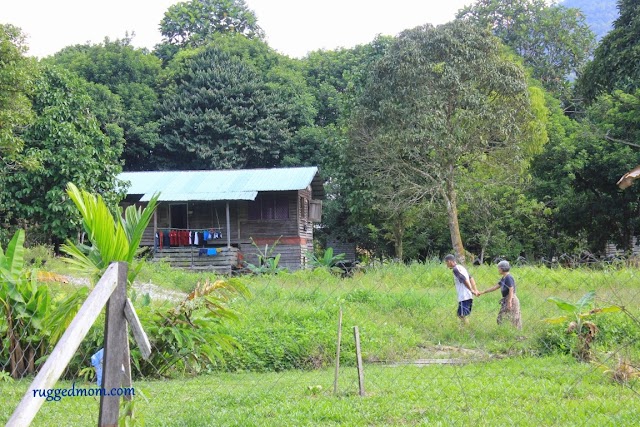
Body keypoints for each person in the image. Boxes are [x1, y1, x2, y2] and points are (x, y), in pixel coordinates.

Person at [479, 260, 522, 330]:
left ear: (502, 269)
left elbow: (511, 289)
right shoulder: (504, 278)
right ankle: (503, 330)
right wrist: (483, 292)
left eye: (499, 268)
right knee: (500, 318)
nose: (498, 270)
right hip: (506, 299)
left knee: (515, 318)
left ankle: (516, 333)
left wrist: (509, 301)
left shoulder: (508, 277)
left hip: (511, 299)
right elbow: (495, 287)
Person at [444, 254, 480, 324]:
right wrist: (475, 290)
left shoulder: (455, 269)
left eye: (446, 263)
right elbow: (471, 278)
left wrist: (472, 290)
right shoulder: (461, 267)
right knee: (461, 315)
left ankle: (466, 329)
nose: (446, 265)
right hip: (467, 295)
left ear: (449, 261)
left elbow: (464, 280)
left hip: (464, 296)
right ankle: (464, 329)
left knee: (462, 315)